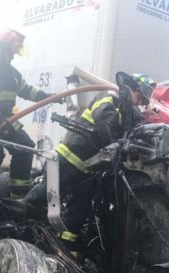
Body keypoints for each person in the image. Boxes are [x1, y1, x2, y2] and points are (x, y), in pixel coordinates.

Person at [23, 73, 157, 246]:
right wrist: (114, 145)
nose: (140, 103)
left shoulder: (126, 112)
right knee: (43, 197)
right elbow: (104, 123)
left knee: (78, 212)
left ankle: (64, 248)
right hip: (67, 161)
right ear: (130, 88)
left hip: (87, 170)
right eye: (139, 97)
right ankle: (14, 227)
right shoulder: (110, 98)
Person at [0, 29, 58, 202]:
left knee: (25, 148)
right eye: (10, 53)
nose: (12, 57)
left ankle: (18, 197)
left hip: (7, 121)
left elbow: (27, 91)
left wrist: (47, 97)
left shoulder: (13, 74)